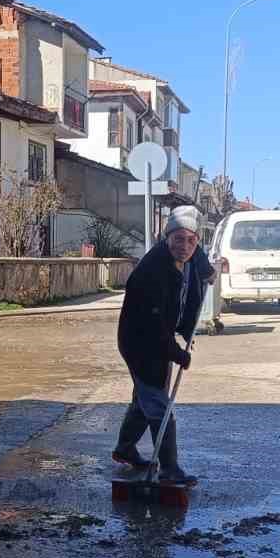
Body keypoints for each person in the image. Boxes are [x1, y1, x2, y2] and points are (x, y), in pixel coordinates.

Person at [113, 205, 205, 486]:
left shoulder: (187, 259)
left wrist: (209, 270)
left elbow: (192, 283)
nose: (185, 246)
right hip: (141, 344)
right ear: (166, 238)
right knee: (159, 407)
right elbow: (154, 326)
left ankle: (125, 449)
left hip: (158, 342)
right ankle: (170, 469)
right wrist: (178, 354)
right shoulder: (152, 271)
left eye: (191, 240)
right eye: (178, 238)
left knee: (145, 402)